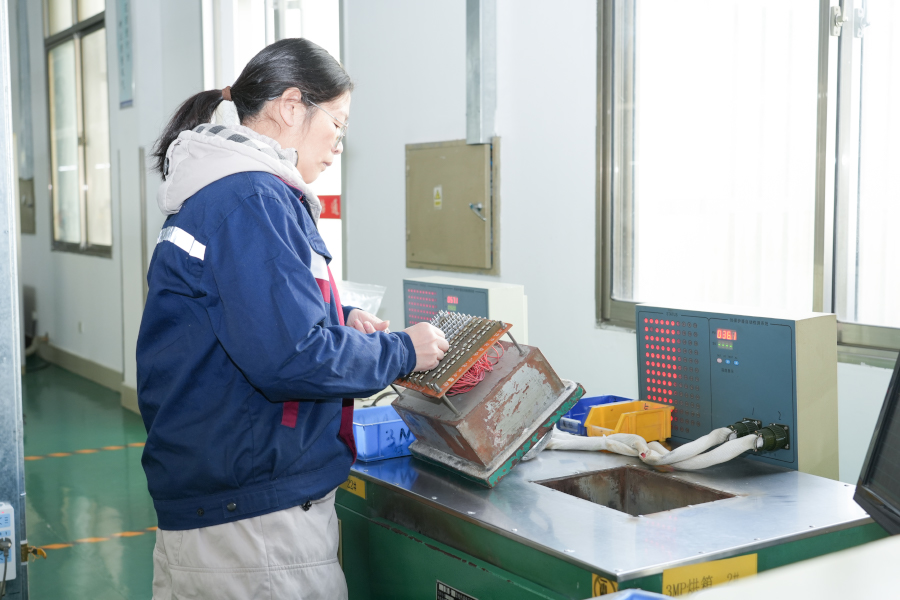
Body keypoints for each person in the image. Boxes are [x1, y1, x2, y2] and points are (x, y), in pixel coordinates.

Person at [136, 38, 449, 600]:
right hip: (254, 525)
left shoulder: (226, 192)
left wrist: (338, 316)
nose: (338, 146)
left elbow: (247, 312)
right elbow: (290, 356)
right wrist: (404, 350)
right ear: (290, 106)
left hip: (233, 500)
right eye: (338, 124)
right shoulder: (250, 198)